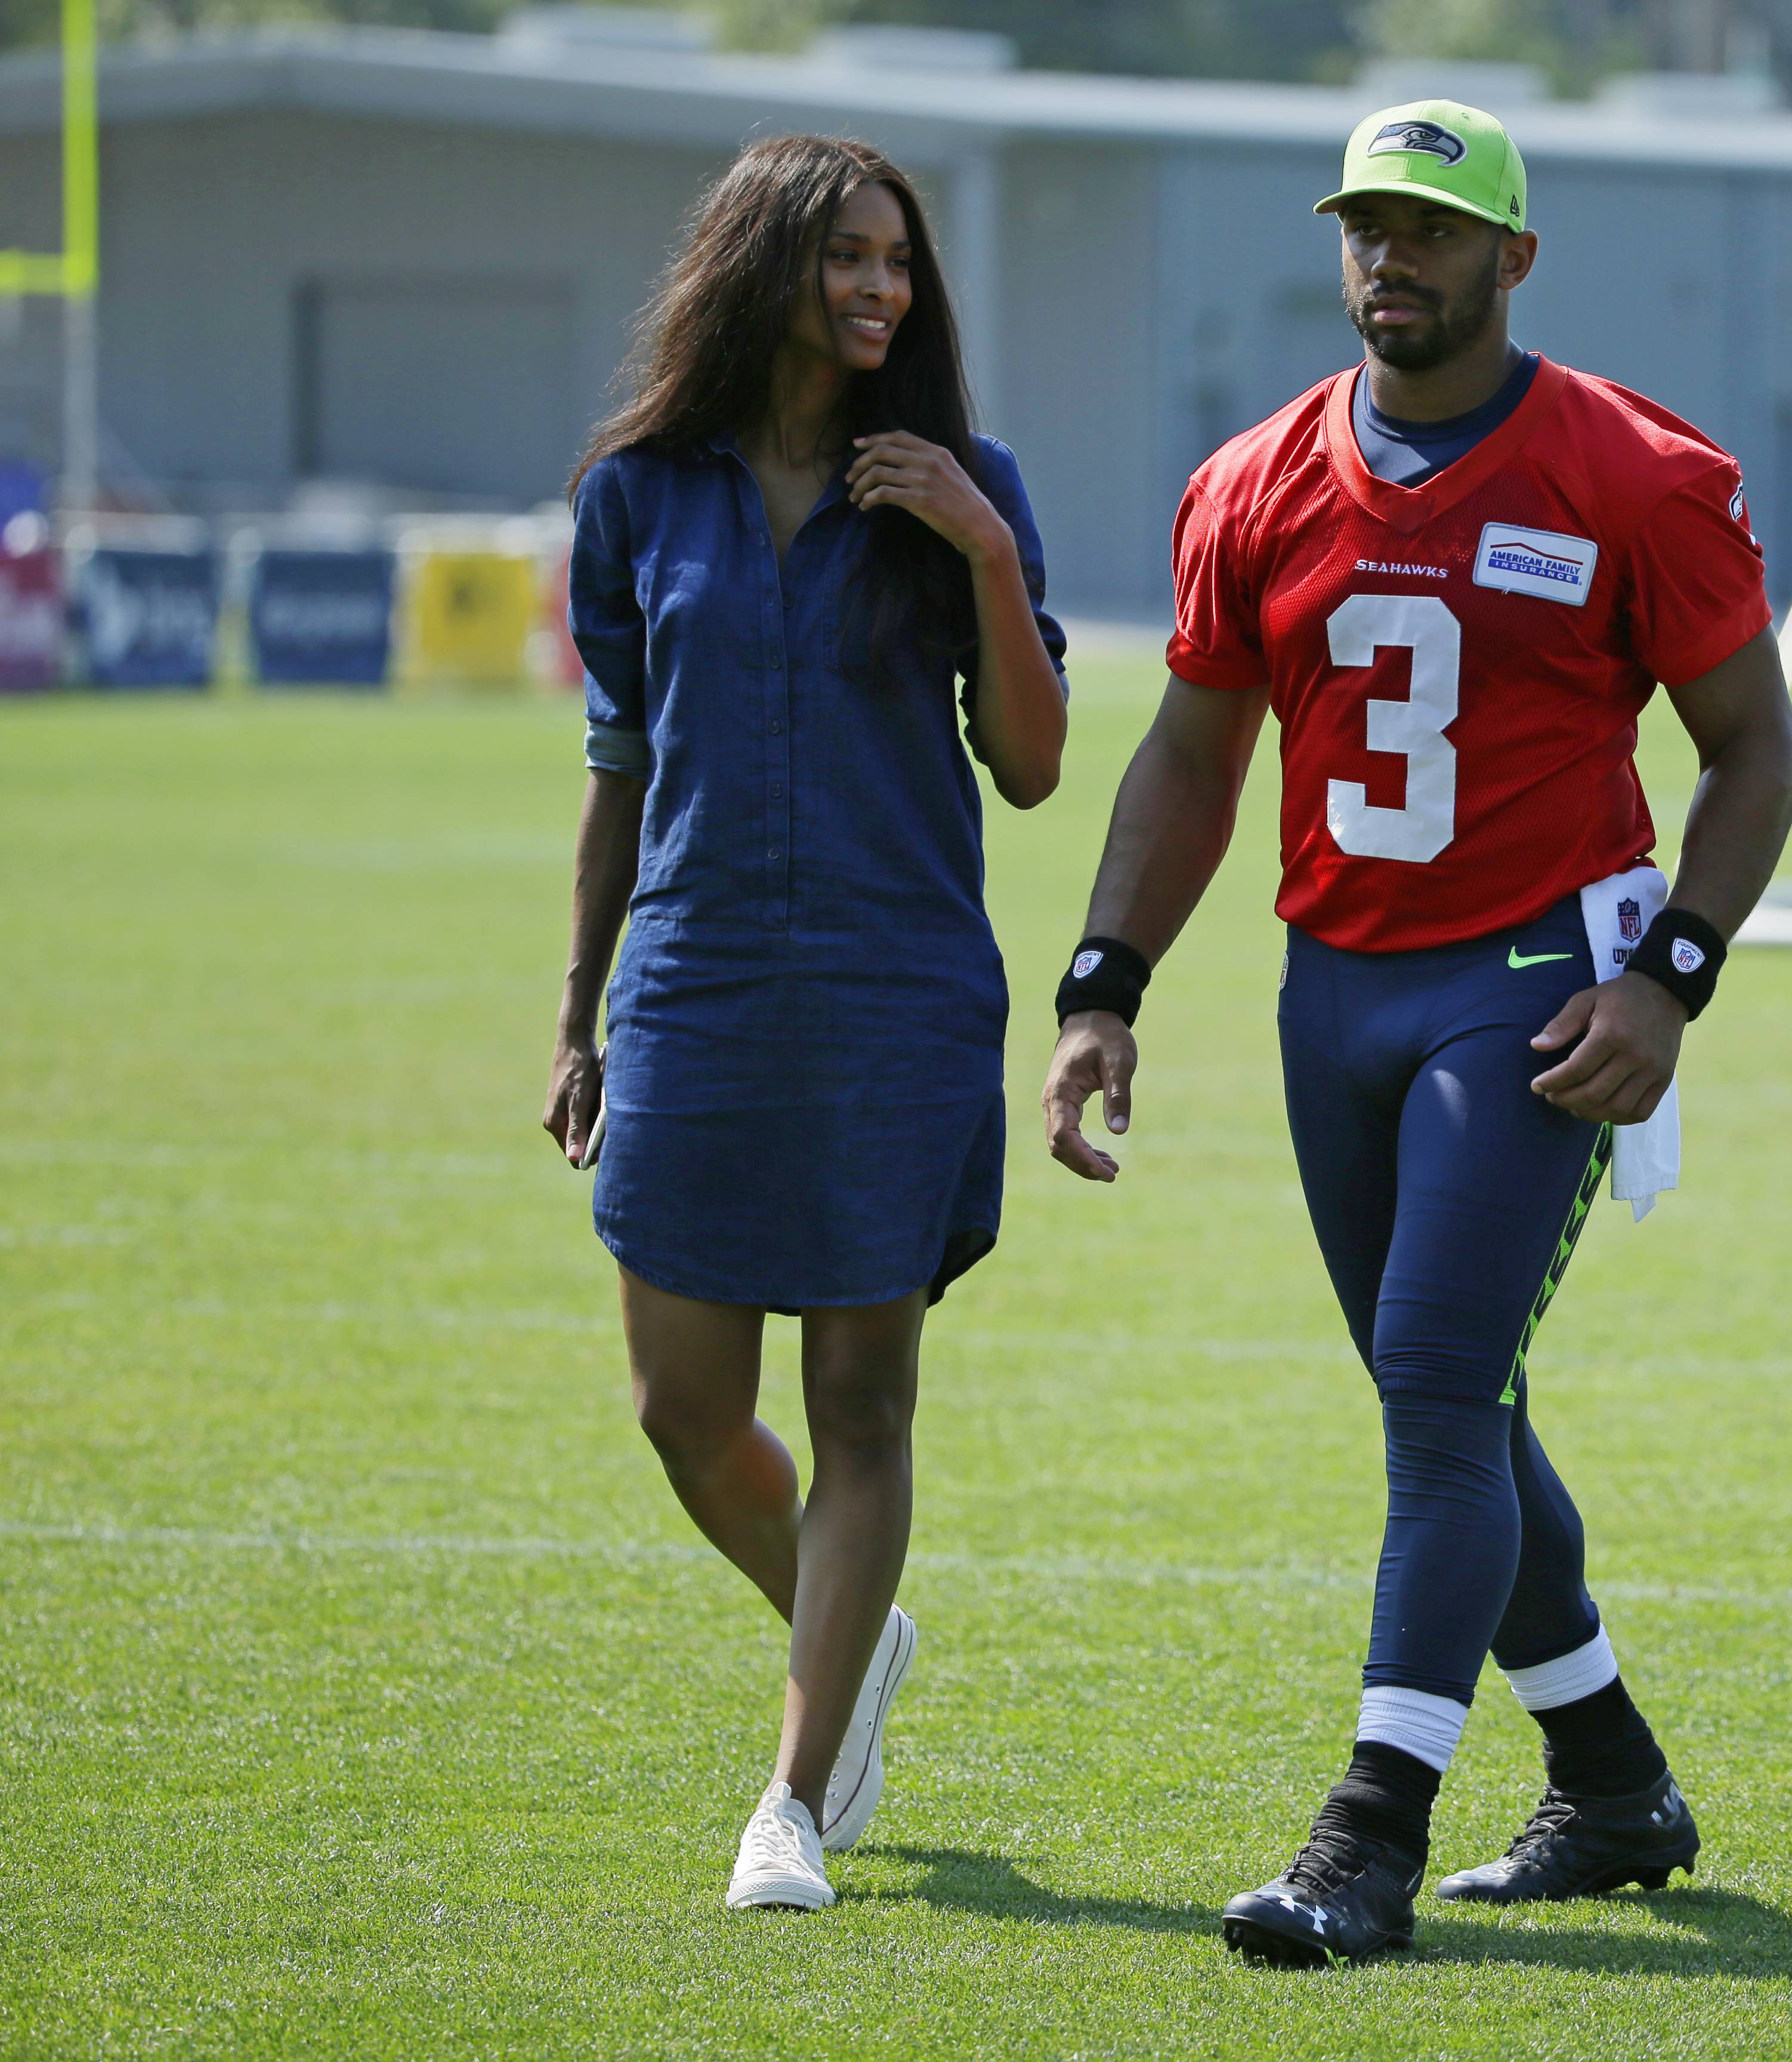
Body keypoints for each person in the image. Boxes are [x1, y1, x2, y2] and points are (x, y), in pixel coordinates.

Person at [1039, 100, 1792, 1967]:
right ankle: (1616, 1787)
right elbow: (1195, 757)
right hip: (1339, 988)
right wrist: (1101, 986)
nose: (1394, 257)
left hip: (1536, 989)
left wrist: (1671, 978)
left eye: (1435, 229)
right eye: (1370, 225)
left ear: (1512, 258)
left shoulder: (1629, 469)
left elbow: (1754, 754)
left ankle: (1365, 1844)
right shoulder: (1255, 480)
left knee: (1442, 1396)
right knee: (1443, 1392)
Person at [540, 135, 1070, 1913]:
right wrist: (577, 1012)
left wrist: (984, 548)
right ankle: (852, 1635)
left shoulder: (959, 483)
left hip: (899, 990)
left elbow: (1035, 764)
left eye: (898, 263)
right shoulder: (633, 496)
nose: (882, 289)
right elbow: (619, 772)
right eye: (849, 255)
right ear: (761, 261)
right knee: (683, 1409)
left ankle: (791, 1794)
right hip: (691, 987)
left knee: (861, 1395)